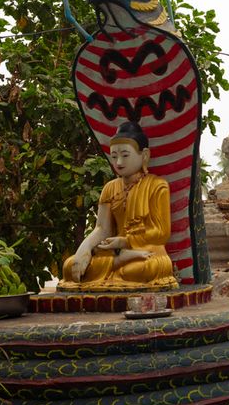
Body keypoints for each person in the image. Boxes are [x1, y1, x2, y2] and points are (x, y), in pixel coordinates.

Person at [59, 122, 177, 291]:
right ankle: (119, 260)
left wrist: (125, 241)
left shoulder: (158, 186)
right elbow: (102, 228)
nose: (118, 162)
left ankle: (121, 261)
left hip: (147, 251)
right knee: (70, 266)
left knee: (145, 268)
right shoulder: (110, 188)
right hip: (114, 251)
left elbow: (161, 233)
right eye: (114, 156)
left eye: (125, 155)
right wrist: (83, 250)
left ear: (144, 155)